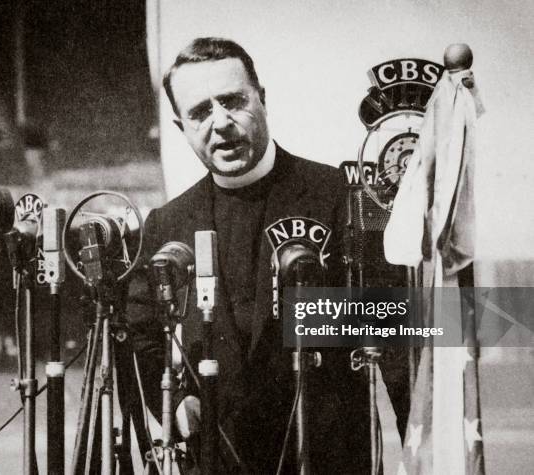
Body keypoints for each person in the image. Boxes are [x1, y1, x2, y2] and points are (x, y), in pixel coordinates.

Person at [117, 37, 409, 474]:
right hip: (218, 460)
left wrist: (426, 448)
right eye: (199, 112)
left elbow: (398, 339)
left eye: (233, 101)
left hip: (330, 458)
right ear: (181, 127)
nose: (220, 123)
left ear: (263, 100)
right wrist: (178, 408)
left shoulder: (341, 198)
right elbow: (142, 337)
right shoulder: (166, 224)